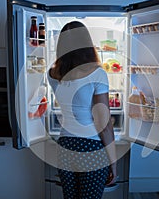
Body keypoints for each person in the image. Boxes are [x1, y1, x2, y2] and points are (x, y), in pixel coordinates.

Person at [47, 21, 117, 199]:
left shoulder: (53, 73)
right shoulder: (97, 74)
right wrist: (113, 163)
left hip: (65, 146)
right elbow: (103, 123)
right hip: (91, 147)